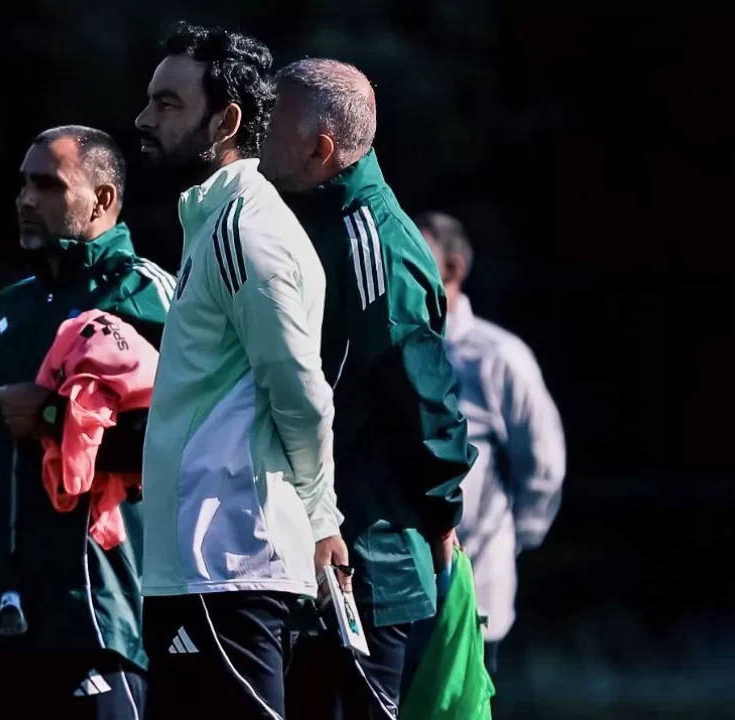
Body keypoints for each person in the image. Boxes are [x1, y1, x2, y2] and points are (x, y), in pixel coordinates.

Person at [0, 125, 175, 718]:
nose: (26, 200)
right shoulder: (2, 311)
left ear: (103, 199)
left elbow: (185, 443)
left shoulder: (147, 297)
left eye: (49, 185)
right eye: (22, 185)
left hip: (93, 612)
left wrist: (55, 415)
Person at [132, 23, 347, 720]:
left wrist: (321, 520)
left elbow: (302, 396)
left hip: (227, 563)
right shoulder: (213, 220)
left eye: (168, 103)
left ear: (225, 121)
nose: (143, 119)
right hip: (198, 570)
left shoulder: (244, 230)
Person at [260, 58, 478, 718]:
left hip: (367, 560)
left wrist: (441, 517)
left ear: (321, 149)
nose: (259, 134)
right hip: (304, 555)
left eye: (275, 123)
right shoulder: (312, 222)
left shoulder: (372, 243)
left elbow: (424, 404)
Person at [416, 210, 566, 677]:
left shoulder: (498, 357)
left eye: (418, 254)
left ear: (453, 268)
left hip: (477, 578)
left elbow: (543, 462)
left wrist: (514, 536)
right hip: (397, 587)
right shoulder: (386, 347)